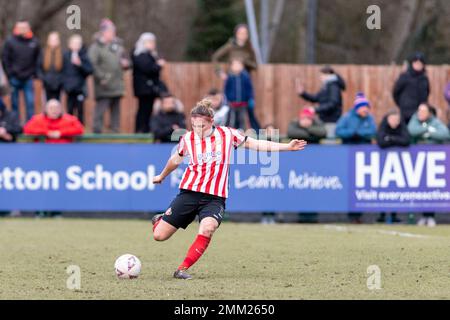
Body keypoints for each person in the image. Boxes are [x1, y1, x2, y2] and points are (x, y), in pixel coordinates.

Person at [150, 98, 307, 280]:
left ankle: (181, 269)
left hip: (214, 198)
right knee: (159, 236)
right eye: (194, 126)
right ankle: (159, 220)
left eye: (201, 126)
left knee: (208, 228)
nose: (197, 130)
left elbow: (256, 144)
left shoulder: (227, 135)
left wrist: (287, 147)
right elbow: (175, 160)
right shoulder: (187, 139)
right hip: (189, 194)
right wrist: (162, 176)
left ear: (211, 122)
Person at [212, 24, 260, 131]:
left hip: (245, 80)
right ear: (236, 34)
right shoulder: (230, 46)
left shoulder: (249, 48)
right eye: (240, 33)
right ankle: (229, 134)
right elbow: (215, 57)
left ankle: (257, 134)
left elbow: (255, 65)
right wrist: (220, 72)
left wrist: (243, 62)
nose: (243, 35)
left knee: (249, 112)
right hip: (232, 80)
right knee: (231, 112)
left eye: (245, 33)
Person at [88, 19, 130, 133]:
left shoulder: (118, 46)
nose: (113, 34)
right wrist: (102, 77)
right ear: (103, 33)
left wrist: (126, 64)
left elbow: (126, 61)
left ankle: (115, 130)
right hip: (104, 83)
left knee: (116, 108)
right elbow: (92, 64)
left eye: (114, 31)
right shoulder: (96, 47)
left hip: (117, 83)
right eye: (111, 32)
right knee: (101, 107)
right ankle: (97, 130)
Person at [376, 109, 410, 223]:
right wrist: (396, 141)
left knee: (395, 189)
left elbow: (406, 140)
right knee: (383, 189)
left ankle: (394, 215)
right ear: (388, 119)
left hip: (398, 165)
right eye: (393, 119)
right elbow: (381, 142)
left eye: (397, 120)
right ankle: (382, 215)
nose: (395, 122)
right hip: (382, 163)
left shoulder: (402, 126)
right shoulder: (383, 125)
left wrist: (391, 139)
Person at [1, 20, 40, 121]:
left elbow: (38, 59)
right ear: (16, 28)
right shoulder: (10, 41)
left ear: (28, 28)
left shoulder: (34, 42)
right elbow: (5, 59)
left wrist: (34, 74)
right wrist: (10, 74)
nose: (23, 29)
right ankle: (16, 125)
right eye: (20, 27)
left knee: (30, 103)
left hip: (29, 78)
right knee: (14, 103)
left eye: (25, 27)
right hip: (14, 78)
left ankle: (30, 126)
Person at [132, 32, 167, 133]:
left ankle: (145, 129)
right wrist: (159, 65)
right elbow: (147, 69)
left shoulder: (149, 54)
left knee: (148, 110)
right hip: (144, 88)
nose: (153, 44)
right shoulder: (140, 55)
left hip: (149, 88)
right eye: (150, 42)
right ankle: (140, 130)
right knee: (143, 110)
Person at [296, 66, 346, 138]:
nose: (320, 77)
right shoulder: (326, 86)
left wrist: (315, 109)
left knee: (329, 142)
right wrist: (303, 93)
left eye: (322, 75)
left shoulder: (333, 86)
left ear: (328, 74)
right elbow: (316, 98)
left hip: (331, 121)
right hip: (324, 119)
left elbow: (333, 103)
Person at [62, 34, 93, 124]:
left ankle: (79, 130)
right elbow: (62, 71)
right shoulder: (65, 55)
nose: (76, 45)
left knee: (80, 111)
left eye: (78, 43)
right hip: (69, 89)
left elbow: (89, 71)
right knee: (69, 110)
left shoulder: (84, 56)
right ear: (69, 44)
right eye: (74, 43)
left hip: (80, 89)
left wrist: (80, 65)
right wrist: (65, 85)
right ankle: (68, 129)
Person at [393, 52, 430, 124]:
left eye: (420, 63)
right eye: (416, 63)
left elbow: (427, 93)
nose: (418, 65)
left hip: (419, 112)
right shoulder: (405, 76)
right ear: (412, 64)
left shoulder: (424, 79)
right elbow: (396, 92)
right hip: (406, 112)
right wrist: (402, 104)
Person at [224, 58, 254, 130]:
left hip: (243, 103)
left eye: (239, 65)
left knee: (242, 121)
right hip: (232, 104)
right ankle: (231, 135)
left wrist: (250, 98)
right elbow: (226, 89)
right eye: (235, 65)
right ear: (231, 66)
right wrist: (227, 99)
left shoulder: (245, 77)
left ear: (242, 66)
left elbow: (249, 88)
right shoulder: (230, 77)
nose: (237, 67)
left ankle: (242, 136)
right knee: (231, 121)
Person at [38, 31, 64, 101]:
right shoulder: (43, 53)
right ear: (48, 41)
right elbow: (38, 68)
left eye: (55, 39)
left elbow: (65, 69)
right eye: (51, 40)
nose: (53, 42)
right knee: (47, 103)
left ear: (58, 41)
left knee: (57, 104)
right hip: (46, 84)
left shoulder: (63, 53)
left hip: (59, 85)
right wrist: (44, 78)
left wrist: (61, 80)